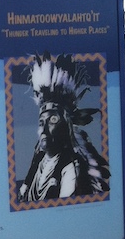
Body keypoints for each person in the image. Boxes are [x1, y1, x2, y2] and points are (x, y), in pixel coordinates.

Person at [17, 52, 110, 202]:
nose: (45, 129)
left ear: (65, 128)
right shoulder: (38, 163)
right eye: (41, 122)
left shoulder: (70, 169)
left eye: (53, 120)